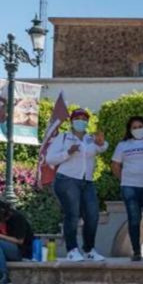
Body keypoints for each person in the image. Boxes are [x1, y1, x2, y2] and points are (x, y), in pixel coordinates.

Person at [46, 108, 107, 262]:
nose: (81, 121)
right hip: (67, 180)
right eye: (78, 118)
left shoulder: (89, 138)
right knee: (72, 215)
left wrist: (101, 143)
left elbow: (102, 147)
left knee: (93, 215)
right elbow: (50, 159)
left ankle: (89, 249)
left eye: (84, 119)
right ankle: (72, 250)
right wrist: (68, 152)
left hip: (87, 181)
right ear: (71, 121)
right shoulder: (63, 137)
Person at [111, 116, 143, 261]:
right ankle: (136, 251)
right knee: (134, 219)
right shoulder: (123, 145)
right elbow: (115, 165)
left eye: (140, 126)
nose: (138, 129)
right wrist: (125, 180)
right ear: (129, 130)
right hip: (130, 187)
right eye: (134, 127)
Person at [0, 200, 32, 284]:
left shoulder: (17, 218)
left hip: (20, 251)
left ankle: (3, 277)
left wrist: (1, 236)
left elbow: (20, 241)